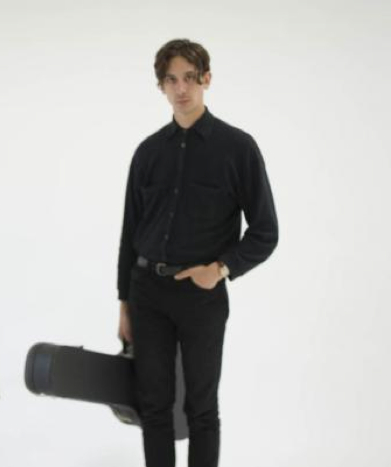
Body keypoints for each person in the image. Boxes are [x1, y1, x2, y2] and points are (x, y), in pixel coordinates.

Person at [117, 39, 278, 467]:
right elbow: (130, 234)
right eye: (171, 80)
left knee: (202, 409)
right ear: (161, 86)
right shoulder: (148, 152)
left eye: (190, 77)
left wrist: (220, 269)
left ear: (206, 79)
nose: (181, 88)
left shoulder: (237, 148)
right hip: (147, 293)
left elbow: (266, 231)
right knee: (153, 407)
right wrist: (124, 304)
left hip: (201, 296)